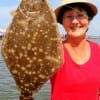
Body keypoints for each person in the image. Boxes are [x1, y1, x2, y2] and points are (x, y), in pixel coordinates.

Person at [50, 0, 100, 100]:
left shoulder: (98, 51)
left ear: (89, 20)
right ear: (62, 21)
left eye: (80, 15)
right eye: (69, 16)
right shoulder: (52, 51)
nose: (75, 21)